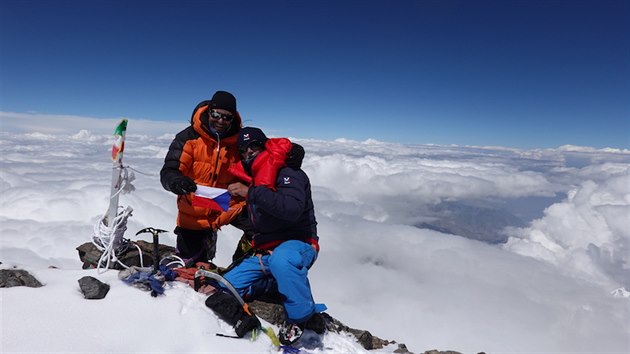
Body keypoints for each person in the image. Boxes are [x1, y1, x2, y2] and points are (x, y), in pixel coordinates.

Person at [204, 127, 325, 344]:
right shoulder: (255, 178)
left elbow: (291, 210)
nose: (248, 151)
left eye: (254, 146)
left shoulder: (288, 173)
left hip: (299, 244)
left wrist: (250, 193)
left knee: (282, 260)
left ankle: (301, 317)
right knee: (224, 286)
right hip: (265, 253)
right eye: (243, 149)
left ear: (265, 145)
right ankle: (271, 286)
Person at [160, 90, 250, 265]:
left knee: (264, 227)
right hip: (195, 206)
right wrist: (176, 181)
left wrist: (288, 154)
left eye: (227, 117)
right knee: (191, 262)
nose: (221, 121)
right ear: (209, 111)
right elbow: (169, 171)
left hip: (227, 203)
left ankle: (241, 269)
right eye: (216, 115)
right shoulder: (188, 138)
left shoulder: (238, 141)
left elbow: (262, 154)